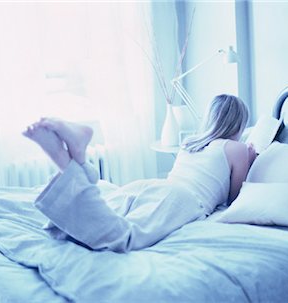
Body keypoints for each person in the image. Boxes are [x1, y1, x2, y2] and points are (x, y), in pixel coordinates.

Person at [23, 94, 256, 253]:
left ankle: (75, 162)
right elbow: (234, 200)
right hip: (184, 199)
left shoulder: (190, 142)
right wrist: (250, 159)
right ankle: (72, 160)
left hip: (154, 186)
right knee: (124, 237)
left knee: (105, 216)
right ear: (239, 123)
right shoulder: (237, 148)